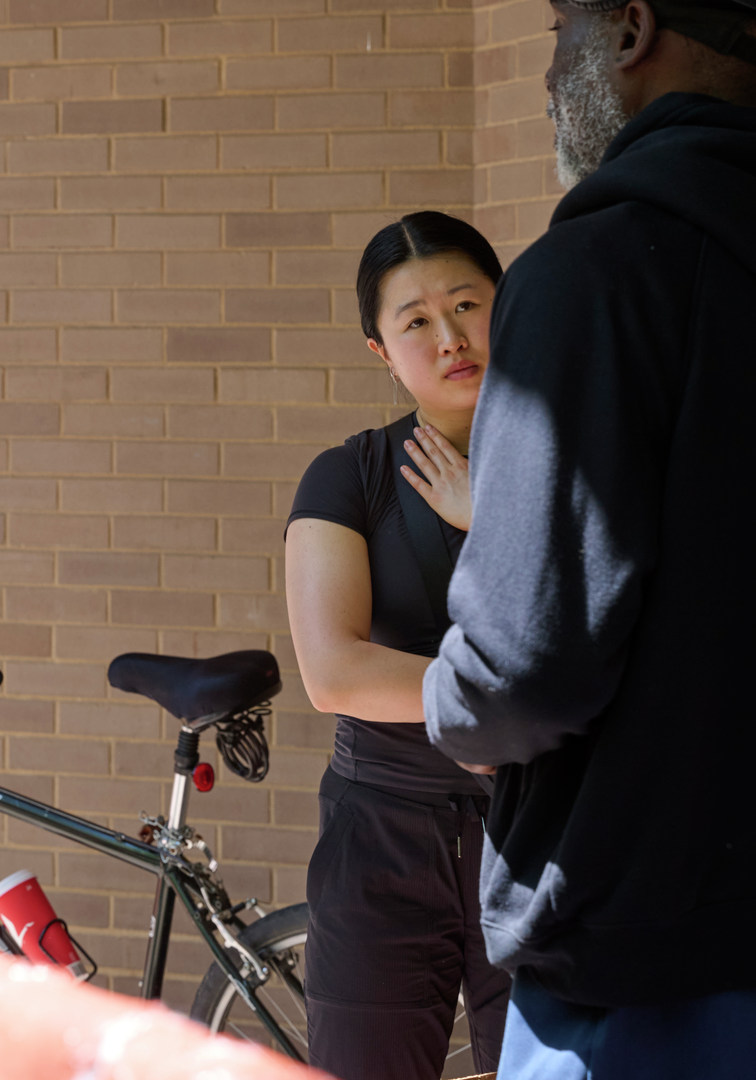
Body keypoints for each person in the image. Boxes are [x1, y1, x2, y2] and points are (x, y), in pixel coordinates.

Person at [420, 0, 756, 1074]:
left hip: (665, 983)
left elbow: (524, 662)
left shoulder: (590, 273)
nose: (549, 73)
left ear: (631, 30)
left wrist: (455, 703)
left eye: (558, 29)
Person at [284, 211, 510, 1079]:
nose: (450, 337)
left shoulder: (573, 462)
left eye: (467, 305)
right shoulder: (348, 478)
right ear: (381, 350)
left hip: (536, 836)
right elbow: (334, 670)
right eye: (416, 321)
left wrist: (494, 519)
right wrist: (500, 704)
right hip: (380, 839)